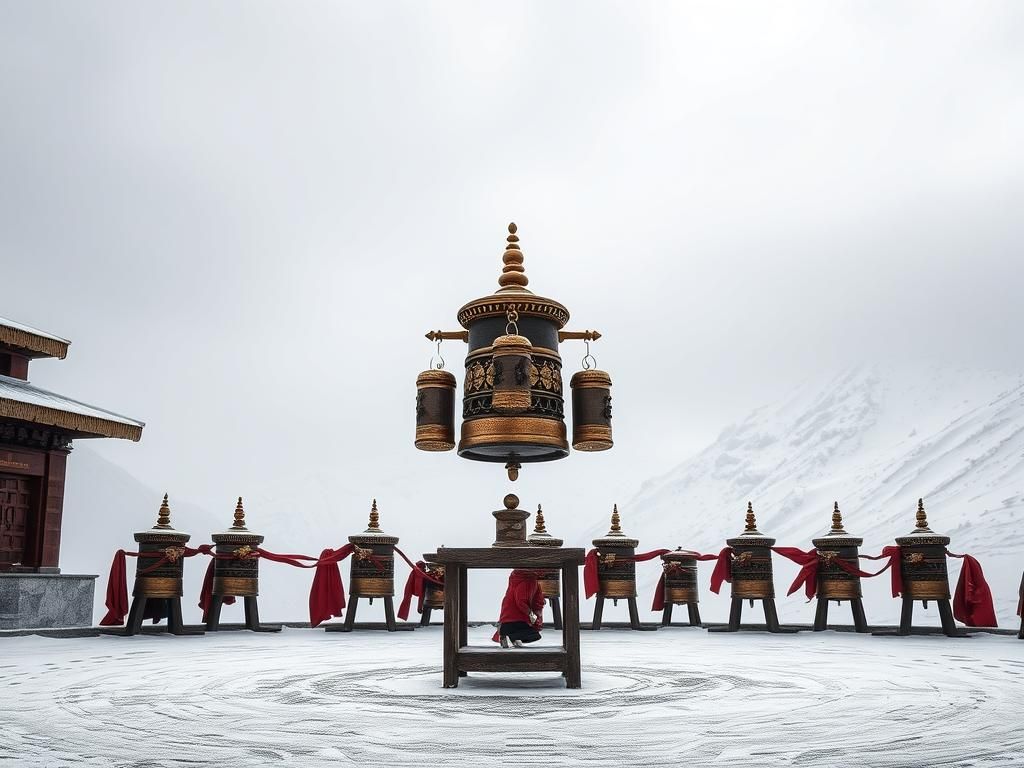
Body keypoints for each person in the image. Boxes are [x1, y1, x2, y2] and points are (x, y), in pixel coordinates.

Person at [492, 569, 545, 648]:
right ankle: (509, 637)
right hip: (516, 619)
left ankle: (509, 637)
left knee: (532, 634)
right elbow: (521, 601)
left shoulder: (517, 577)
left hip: (508, 618)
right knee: (534, 635)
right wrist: (531, 614)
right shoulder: (528, 580)